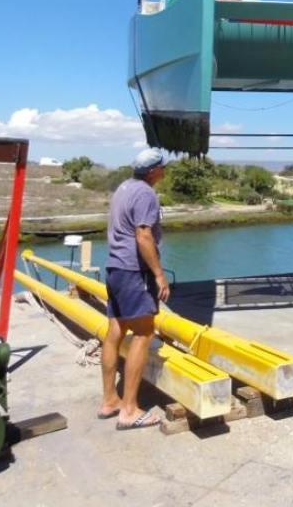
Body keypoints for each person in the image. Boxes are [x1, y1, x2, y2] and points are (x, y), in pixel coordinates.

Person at [98, 148, 170, 430]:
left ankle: (109, 401)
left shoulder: (124, 188)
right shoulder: (146, 194)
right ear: (153, 171)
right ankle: (129, 410)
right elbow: (143, 235)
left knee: (115, 331)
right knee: (143, 333)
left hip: (115, 268)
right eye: (162, 168)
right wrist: (159, 275)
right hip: (133, 271)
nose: (164, 172)